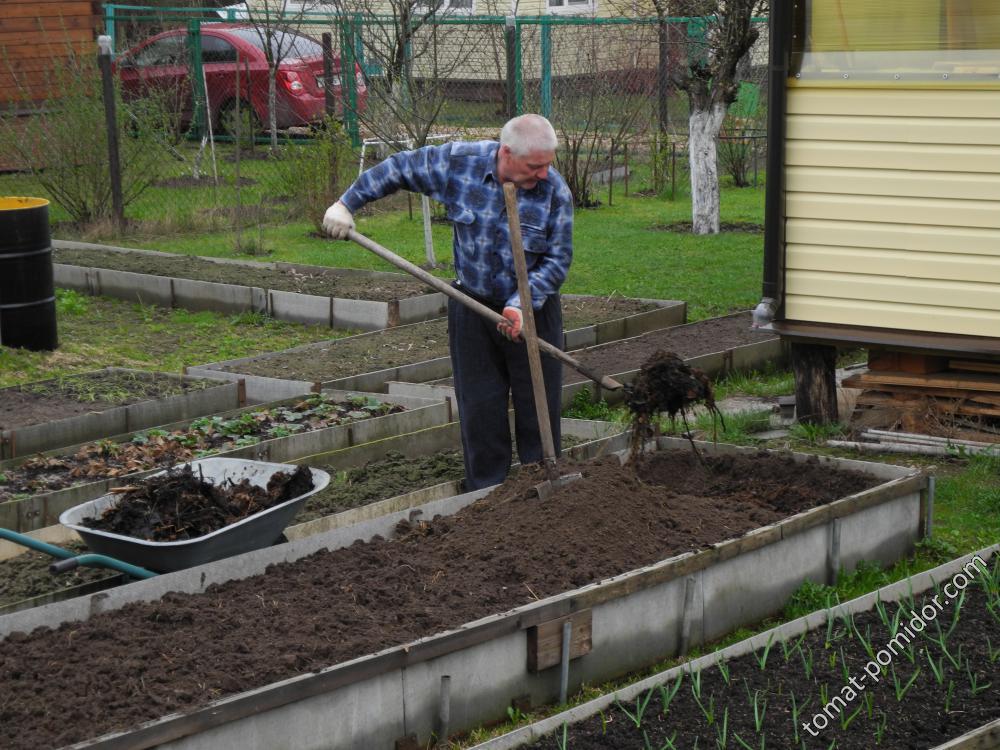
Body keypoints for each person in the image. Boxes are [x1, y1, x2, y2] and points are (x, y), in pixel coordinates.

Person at [322, 114, 574, 490]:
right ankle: (486, 492)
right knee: (479, 406)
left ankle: (539, 486)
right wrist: (348, 203)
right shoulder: (460, 163)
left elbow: (557, 260)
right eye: (535, 166)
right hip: (470, 304)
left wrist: (521, 303)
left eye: (548, 165)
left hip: (531, 311)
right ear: (506, 152)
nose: (543, 174)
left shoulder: (554, 191)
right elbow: (400, 168)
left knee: (538, 407)